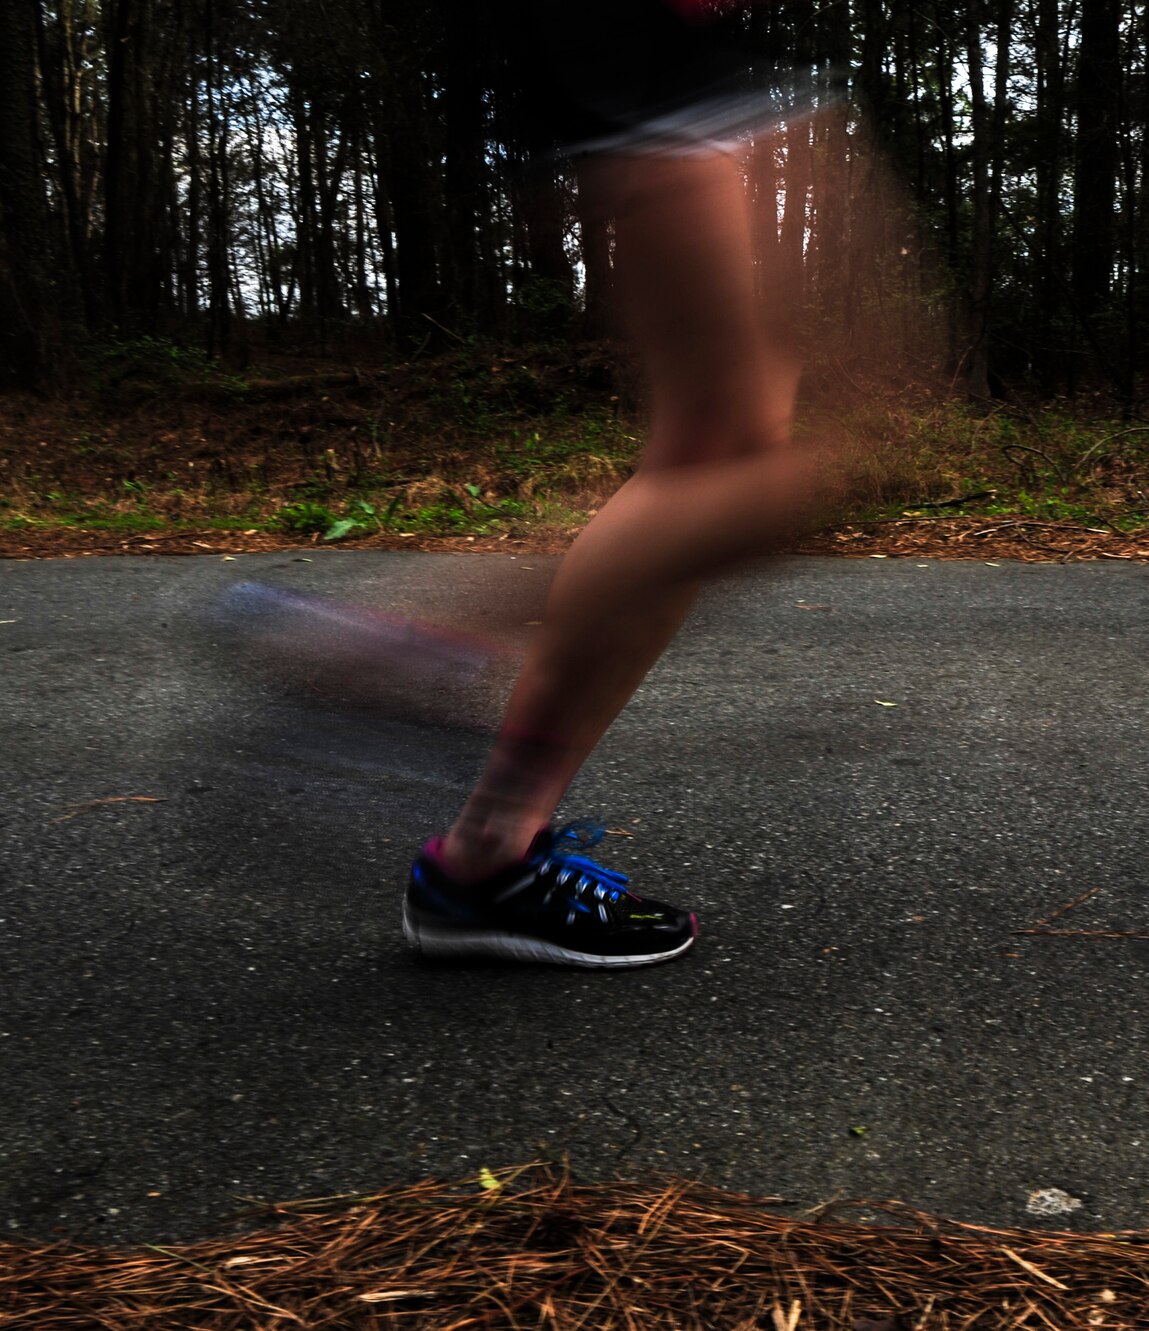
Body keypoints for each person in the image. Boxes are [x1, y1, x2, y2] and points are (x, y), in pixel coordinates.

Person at [403, 0, 824, 968]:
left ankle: (482, 841)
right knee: (748, 460)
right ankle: (390, 658)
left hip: (659, 50)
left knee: (725, 447)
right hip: (646, 40)